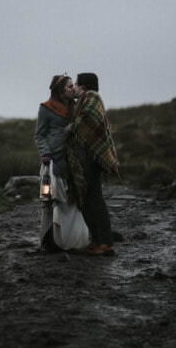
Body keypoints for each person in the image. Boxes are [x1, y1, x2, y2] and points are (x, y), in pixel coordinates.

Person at [67, 72, 119, 256]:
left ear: (84, 86)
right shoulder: (86, 99)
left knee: (94, 198)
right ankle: (97, 240)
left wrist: (69, 129)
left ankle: (105, 243)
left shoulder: (91, 98)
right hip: (89, 156)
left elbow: (87, 120)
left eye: (76, 84)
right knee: (89, 199)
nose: (74, 87)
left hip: (93, 156)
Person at [34, 74, 76, 251]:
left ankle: (68, 240)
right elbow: (39, 134)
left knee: (70, 200)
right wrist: (45, 153)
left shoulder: (75, 107)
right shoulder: (46, 108)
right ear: (60, 90)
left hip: (72, 160)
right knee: (49, 199)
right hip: (51, 161)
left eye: (74, 85)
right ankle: (48, 240)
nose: (73, 89)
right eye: (69, 86)